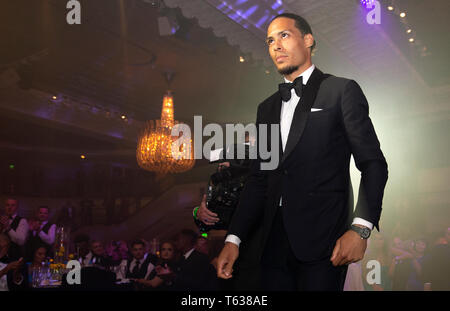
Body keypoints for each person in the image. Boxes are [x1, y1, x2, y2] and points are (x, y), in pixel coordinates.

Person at [217, 13, 388, 291]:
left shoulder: (340, 90)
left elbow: (373, 164)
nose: (276, 45)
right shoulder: (267, 108)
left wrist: (360, 228)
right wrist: (232, 239)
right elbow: (260, 179)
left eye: (284, 35)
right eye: (270, 40)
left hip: (324, 241)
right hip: (271, 245)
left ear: (308, 40)